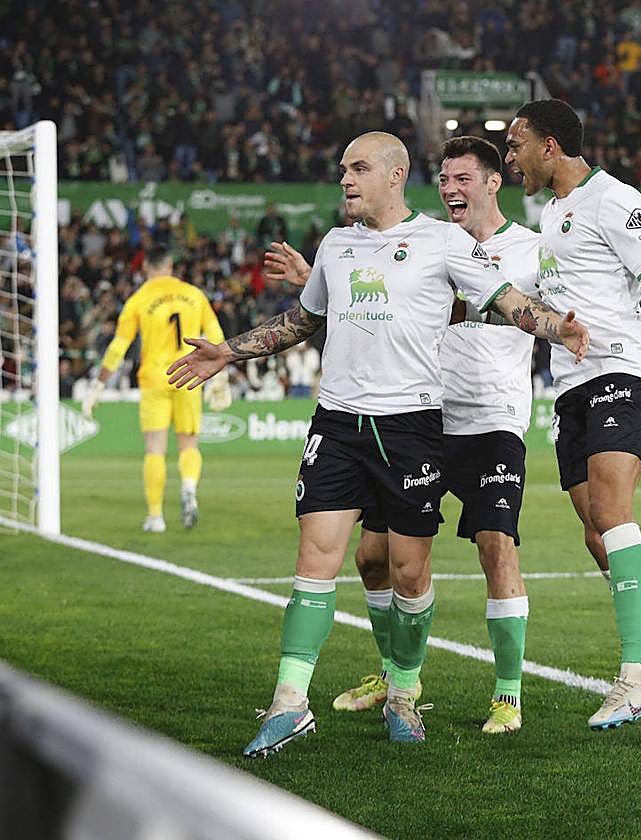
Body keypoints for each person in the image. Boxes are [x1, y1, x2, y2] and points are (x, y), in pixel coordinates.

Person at [166, 131, 588, 755]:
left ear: (395, 176)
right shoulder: (336, 244)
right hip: (337, 424)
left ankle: (404, 691)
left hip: (411, 428)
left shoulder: (443, 241)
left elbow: (505, 301)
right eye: (343, 170)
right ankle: (289, 702)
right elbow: (304, 320)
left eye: (358, 169)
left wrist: (559, 327)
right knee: (316, 561)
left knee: (409, 571)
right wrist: (227, 350)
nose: (345, 180)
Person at [266, 136, 540, 736]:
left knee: (492, 544)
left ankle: (505, 693)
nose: (450, 189)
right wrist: (321, 278)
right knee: (370, 558)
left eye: (462, 179)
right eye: (444, 179)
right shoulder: (413, 243)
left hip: (488, 416)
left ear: (494, 182)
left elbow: (509, 305)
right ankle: (385, 679)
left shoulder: (524, 248)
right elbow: (390, 299)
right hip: (417, 415)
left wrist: (559, 328)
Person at [505, 99, 641, 743]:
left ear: (551, 146)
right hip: (571, 385)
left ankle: (636, 674)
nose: (510, 156)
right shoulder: (551, 213)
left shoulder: (613, 199)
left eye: (517, 144)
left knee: (611, 511)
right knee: (598, 535)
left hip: (622, 367)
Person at [81, 244, 231, 533]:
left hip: (155, 378)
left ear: (147, 268)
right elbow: (215, 336)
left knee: (155, 449)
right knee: (189, 443)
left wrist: (98, 385)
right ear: (171, 266)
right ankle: (188, 487)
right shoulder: (193, 294)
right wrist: (220, 378)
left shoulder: (139, 299)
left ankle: (155, 516)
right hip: (190, 375)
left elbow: (118, 347)